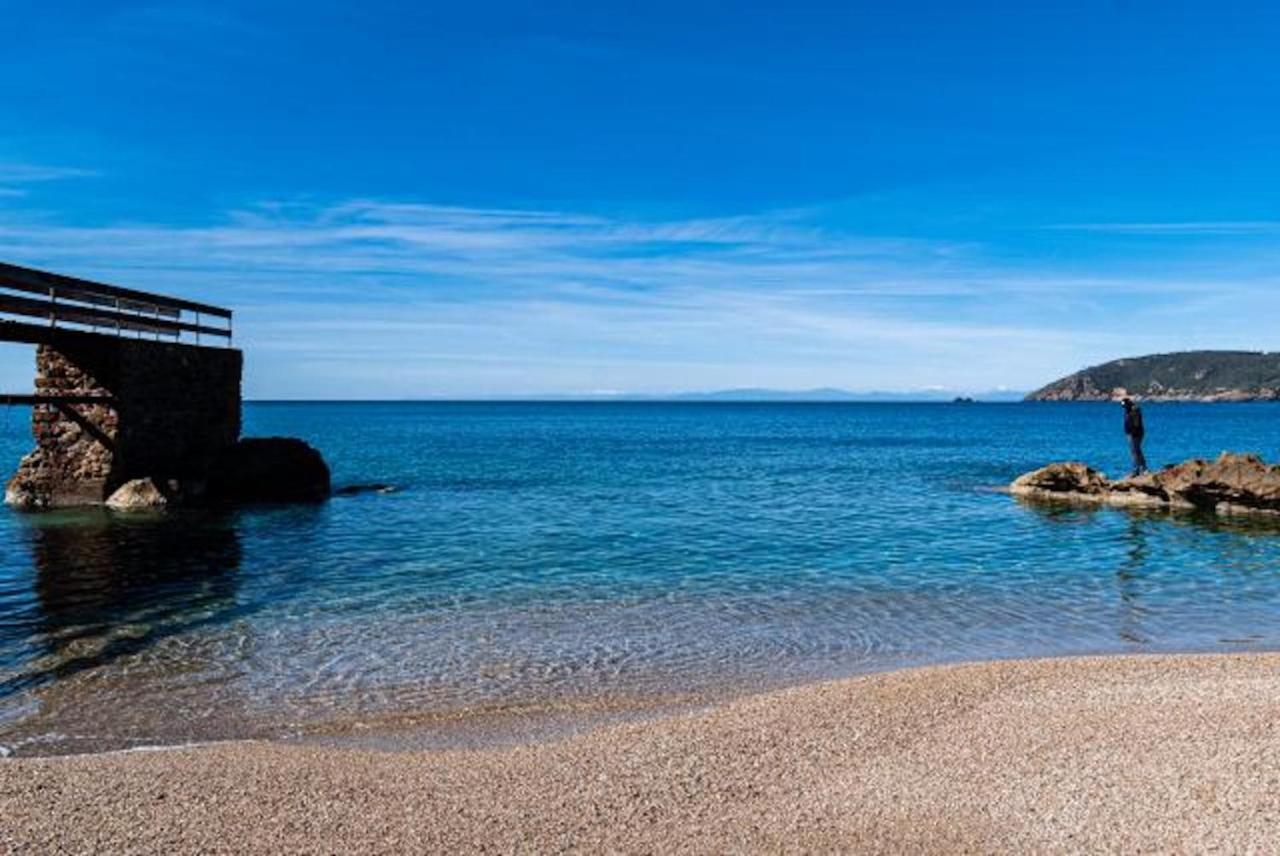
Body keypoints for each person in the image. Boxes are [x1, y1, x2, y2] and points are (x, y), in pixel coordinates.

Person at [1121, 396, 1147, 477]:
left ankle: (1136, 470)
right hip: (1131, 433)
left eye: (1124, 406)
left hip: (1135, 434)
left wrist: (1133, 433)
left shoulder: (1134, 410)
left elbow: (1136, 424)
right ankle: (1143, 468)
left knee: (1134, 452)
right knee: (1137, 451)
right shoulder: (1128, 410)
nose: (1124, 407)